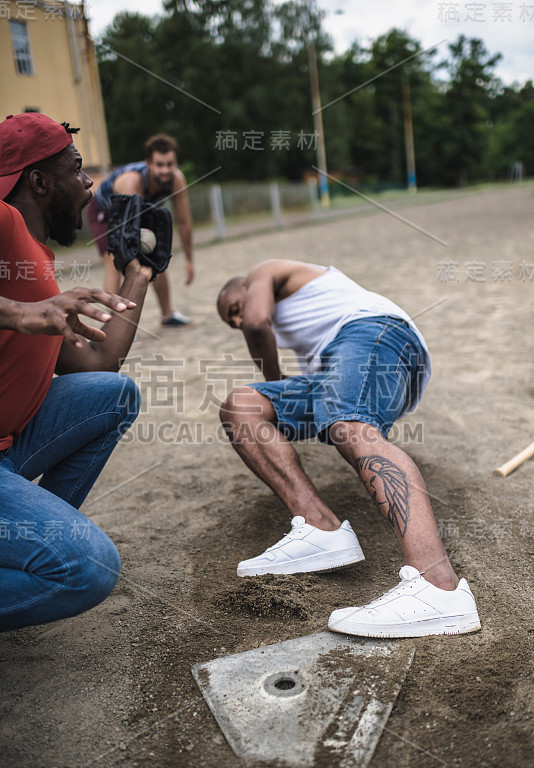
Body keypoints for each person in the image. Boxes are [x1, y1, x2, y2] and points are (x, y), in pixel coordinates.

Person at [217, 258, 481, 639]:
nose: (239, 322)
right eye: (232, 323)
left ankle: (438, 586)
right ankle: (320, 528)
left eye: (234, 310)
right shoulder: (316, 339)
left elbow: (259, 322)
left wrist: (273, 377)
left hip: (376, 335)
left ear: (243, 287)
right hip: (342, 367)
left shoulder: (265, 271)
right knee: (242, 407)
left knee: (351, 426)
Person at [0, 112, 158, 632]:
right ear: (40, 182)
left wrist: (138, 272)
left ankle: (17, 553)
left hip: (8, 449)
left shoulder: (34, 259)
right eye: (78, 168)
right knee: (87, 568)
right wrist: (17, 312)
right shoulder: (3, 225)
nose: (89, 183)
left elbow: (97, 359)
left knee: (112, 393)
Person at [86, 133, 194, 326]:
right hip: (105, 213)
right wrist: (134, 262)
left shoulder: (177, 180)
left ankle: (168, 315)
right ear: (148, 163)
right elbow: (128, 232)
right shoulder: (132, 182)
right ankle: (115, 324)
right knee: (115, 264)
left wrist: (189, 259)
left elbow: (184, 221)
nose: (165, 170)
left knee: (156, 259)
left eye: (170, 164)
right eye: (159, 164)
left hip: (136, 213)